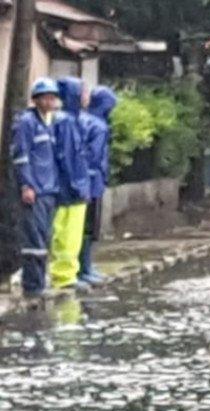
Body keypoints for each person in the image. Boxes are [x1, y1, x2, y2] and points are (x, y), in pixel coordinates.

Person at [10, 78, 61, 298]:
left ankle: (40, 282)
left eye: (53, 97)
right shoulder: (26, 123)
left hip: (48, 190)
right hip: (35, 190)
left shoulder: (47, 124)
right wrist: (26, 185)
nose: (51, 101)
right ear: (37, 99)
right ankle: (33, 286)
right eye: (47, 97)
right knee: (34, 239)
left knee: (44, 237)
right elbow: (21, 157)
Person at [50, 77, 91, 292]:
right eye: (83, 92)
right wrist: (77, 184)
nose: (87, 97)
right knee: (67, 232)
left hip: (72, 186)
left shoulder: (71, 119)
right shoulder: (65, 121)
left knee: (69, 233)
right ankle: (63, 275)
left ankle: (67, 273)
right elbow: (67, 156)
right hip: (70, 188)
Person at [78, 86, 117, 285]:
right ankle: (84, 268)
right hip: (93, 184)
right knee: (89, 229)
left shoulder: (81, 120)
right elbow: (95, 156)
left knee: (79, 228)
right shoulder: (99, 126)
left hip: (80, 182)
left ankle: (84, 267)